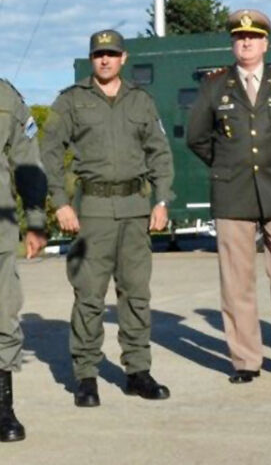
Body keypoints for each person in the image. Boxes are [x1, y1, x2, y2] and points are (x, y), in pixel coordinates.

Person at [41, 30, 174, 407]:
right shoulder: (71, 101)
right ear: (91, 59)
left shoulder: (140, 101)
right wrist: (61, 202)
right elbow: (50, 152)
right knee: (89, 296)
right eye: (99, 54)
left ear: (123, 58)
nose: (105, 60)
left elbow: (160, 154)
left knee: (136, 295)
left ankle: (137, 371)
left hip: (135, 210)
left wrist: (162, 201)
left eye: (111, 54)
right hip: (92, 213)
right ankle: (86, 375)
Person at [186, 9, 271, 384]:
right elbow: (196, 136)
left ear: (265, 43)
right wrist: (227, 162)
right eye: (240, 37)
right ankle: (245, 360)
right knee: (237, 280)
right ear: (233, 43)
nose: (246, 43)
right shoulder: (214, 85)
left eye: (254, 37)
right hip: (232, 191)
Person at [0, 82, 47, 442]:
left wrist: (35, 220)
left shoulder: (6, 98)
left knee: (2, 313)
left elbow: (27, 161)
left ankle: (3, 407)